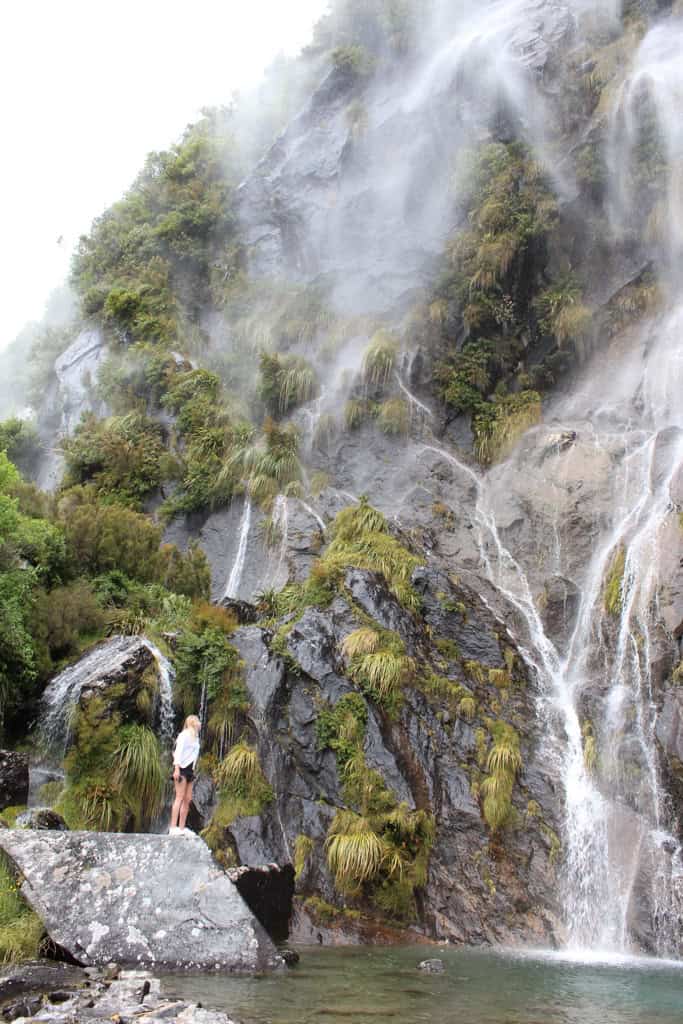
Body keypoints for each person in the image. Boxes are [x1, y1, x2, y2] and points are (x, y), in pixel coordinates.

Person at [169, 715, 201, 834]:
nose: (200, 723)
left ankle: (182, 828)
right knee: (179, 797)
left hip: (190, 771)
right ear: (193, 723)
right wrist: (176, 769)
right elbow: (177, 752)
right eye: (198, 721)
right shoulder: (184, 735)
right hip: (181, 769)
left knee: (187, 799)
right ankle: (173, 828)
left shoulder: (196, 737)